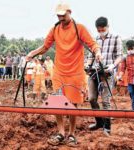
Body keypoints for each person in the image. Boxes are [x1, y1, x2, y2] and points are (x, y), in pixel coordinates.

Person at [26, 3, 101, 146]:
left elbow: (92, 44)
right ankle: (60, 133)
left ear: (69, 12)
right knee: (57, 103)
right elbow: (45, 46)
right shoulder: (55, 29)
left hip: (75, 72)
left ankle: (72, 134)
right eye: (58, 15)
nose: (60, 18)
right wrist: (33, 53)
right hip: (59, 71)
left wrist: (97, 52)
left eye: (63, 15)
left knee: (73, 104)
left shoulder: (79, 28)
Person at [86, 17, 123, 136]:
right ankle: (99, 122)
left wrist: (113, 65)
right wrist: (88, 64)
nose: (101, 31)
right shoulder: (94, 39)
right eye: (99, 30)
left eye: (103, 29)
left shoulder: (116, 37)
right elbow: (90, 55)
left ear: (108, 26)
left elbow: (120, 56)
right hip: (94, 72)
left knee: (105, 100)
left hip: (107, 72)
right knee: (91, 99)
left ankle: (107, 127)